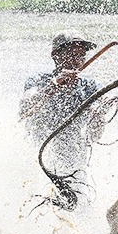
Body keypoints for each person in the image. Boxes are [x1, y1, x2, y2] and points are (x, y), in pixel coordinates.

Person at [19, 33, 108, 176]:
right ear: (56, 56)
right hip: (39, 156)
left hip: (74, 161)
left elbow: (95, 136)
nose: (77, 60)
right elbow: (25, 108)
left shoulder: (91, 86)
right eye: (72, 54)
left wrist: (98, 113)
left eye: (81, 55)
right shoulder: (38, 81)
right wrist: (53, 87)